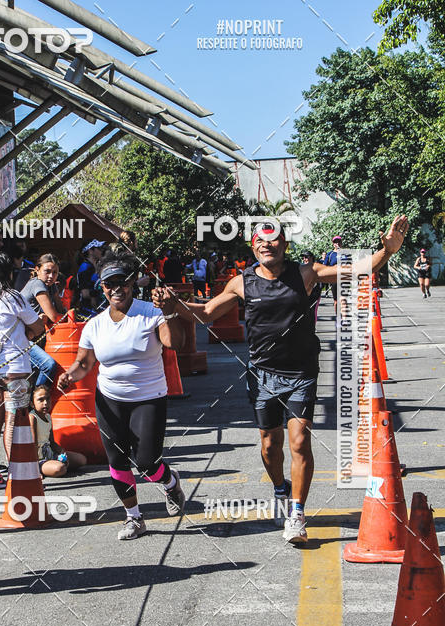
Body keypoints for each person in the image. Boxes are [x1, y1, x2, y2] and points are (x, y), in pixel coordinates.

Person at [154, 216, 409, 545]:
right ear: (253, 247)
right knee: (270, 446)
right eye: (260, 241)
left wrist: (386, 252)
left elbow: (359, 270)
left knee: (300, 441)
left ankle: (297, 513)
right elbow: (205, 313)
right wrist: (173, 304)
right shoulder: (241, 283)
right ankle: (279, 486)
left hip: (301, 372)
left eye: (273, 240)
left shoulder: (306, 273)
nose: (266, 245)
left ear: (285, 244)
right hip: (262, 375)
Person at [57, 251, 186, 540]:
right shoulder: (95, 324)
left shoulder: (150, 313)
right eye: (109, 283)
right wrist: (69, 376)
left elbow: (174, 343)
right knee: (117, 461)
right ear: (102, 288)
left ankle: (170, 482)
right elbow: (85, 364)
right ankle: (134, 518)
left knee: (147, 462)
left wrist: (170, 311)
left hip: (148, 397)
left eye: (122, 282)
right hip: (109, 400)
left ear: (132, 283)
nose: (116, 288)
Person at [0, 253, 45, 491]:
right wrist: (28, 333)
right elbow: (38, 325)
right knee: (14, 419)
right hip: (14, 369)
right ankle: (17, 473)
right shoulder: (12, 298)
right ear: (9, 275)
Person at [21, 253, 64, 388]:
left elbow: (61, 311)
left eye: (55, 272)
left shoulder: (51, 286)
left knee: (35, 372)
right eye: (47, 271)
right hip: (21, 339)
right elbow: (54, 317)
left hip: (35, 336)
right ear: (37, 269)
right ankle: (37, 399)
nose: (51, 276)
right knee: (48, 365)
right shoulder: (37, 283)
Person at [29, 384, 87, 478]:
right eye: (41, 400)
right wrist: (35, 470)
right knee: (60, 469)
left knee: (82, 460)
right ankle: (41, 468)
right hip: (37, 460)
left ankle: (55, 465)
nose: (45, 403)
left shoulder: (48, 416)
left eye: (48, 399)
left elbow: (52, 442)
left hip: (50, 454)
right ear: (32, 404)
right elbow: (33, 445)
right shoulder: (32, 418)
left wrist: (61, 452)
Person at [77, 239, 106, 314]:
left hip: (97, 308)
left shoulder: (95, 266)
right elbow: (85, 293)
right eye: (99, 248)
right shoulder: (85, 267)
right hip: (88, 310)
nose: (102, 251)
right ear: (90, 251)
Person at [323, 235, 344, 315]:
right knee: (336, 300)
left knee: (343, 299)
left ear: (341, 243)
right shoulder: (330, 254)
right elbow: (325, 267)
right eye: (335, 242)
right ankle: (337, 315)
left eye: (339, 242)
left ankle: (344, 317)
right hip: (334, 279)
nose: (337, 243)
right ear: (333, 244)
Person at [301, 250, 322, 326]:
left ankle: (312, 328)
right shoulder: (301, 267)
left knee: (313, 311)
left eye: (306, 257)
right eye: (303, 257)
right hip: (304, 294)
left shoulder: (316, 266)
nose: (304, 259)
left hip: (315, 293)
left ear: (311, 257)